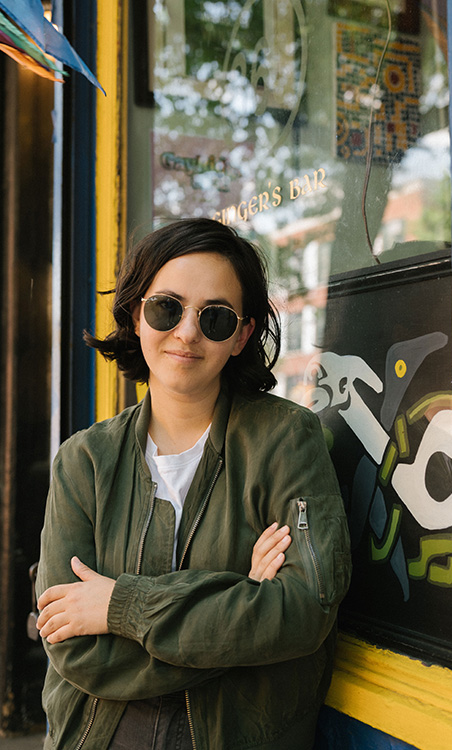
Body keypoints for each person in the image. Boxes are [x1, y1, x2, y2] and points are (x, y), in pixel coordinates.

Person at [35, 218, 351, 748]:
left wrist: (121, 607)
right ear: (137, 315)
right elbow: (72, 646)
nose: (187, 332)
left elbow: (301, 612)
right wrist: (240, 603)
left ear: (242, 335)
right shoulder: (84, 461)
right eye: (167, 308)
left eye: (216, 318)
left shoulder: (286, 439)